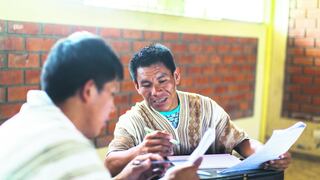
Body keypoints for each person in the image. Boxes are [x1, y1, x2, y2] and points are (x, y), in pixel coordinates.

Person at [0, 33, 202, 180]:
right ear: (89, 91)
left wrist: (126, 177)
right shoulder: (67, 150)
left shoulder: (15, 128)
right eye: (111, 93)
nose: (112, 107)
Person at [105, 43, 292, 176]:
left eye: (162, 80)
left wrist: (269, 154)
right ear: (136, 86)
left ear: (176, 76)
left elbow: (241, 143)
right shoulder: (131, 121)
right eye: (146, 84)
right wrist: (139, 150)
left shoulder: (205, 106)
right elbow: (110, 165)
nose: (156, 91)